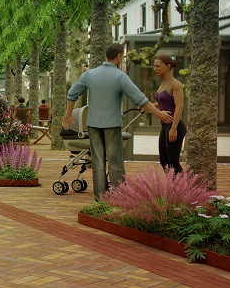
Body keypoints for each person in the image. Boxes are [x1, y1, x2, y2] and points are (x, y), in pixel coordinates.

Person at [62, 43, 171, 198]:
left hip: (93, 125)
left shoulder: (89, 74)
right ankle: (120, 197)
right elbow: (140, 99)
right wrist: (159, 114)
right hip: (112, 125)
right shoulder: (120, 76)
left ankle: (100, 198)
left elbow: (72, 94)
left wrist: (67, 114)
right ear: (119, 56)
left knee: (97, 163)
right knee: (115, 163)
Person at [152, 54, 185, 174]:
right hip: (165, 126)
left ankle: (184, 189)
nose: (154, 68)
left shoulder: (175, 84)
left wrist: (174, 129)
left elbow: (179, 106)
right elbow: (162, 102)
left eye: (157, 66)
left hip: (174, 126)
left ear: (168, 66)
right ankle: (171, 188)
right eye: (154, 66)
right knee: (164, 161)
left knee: (173, 163)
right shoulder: (163, 83)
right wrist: (148, 107)